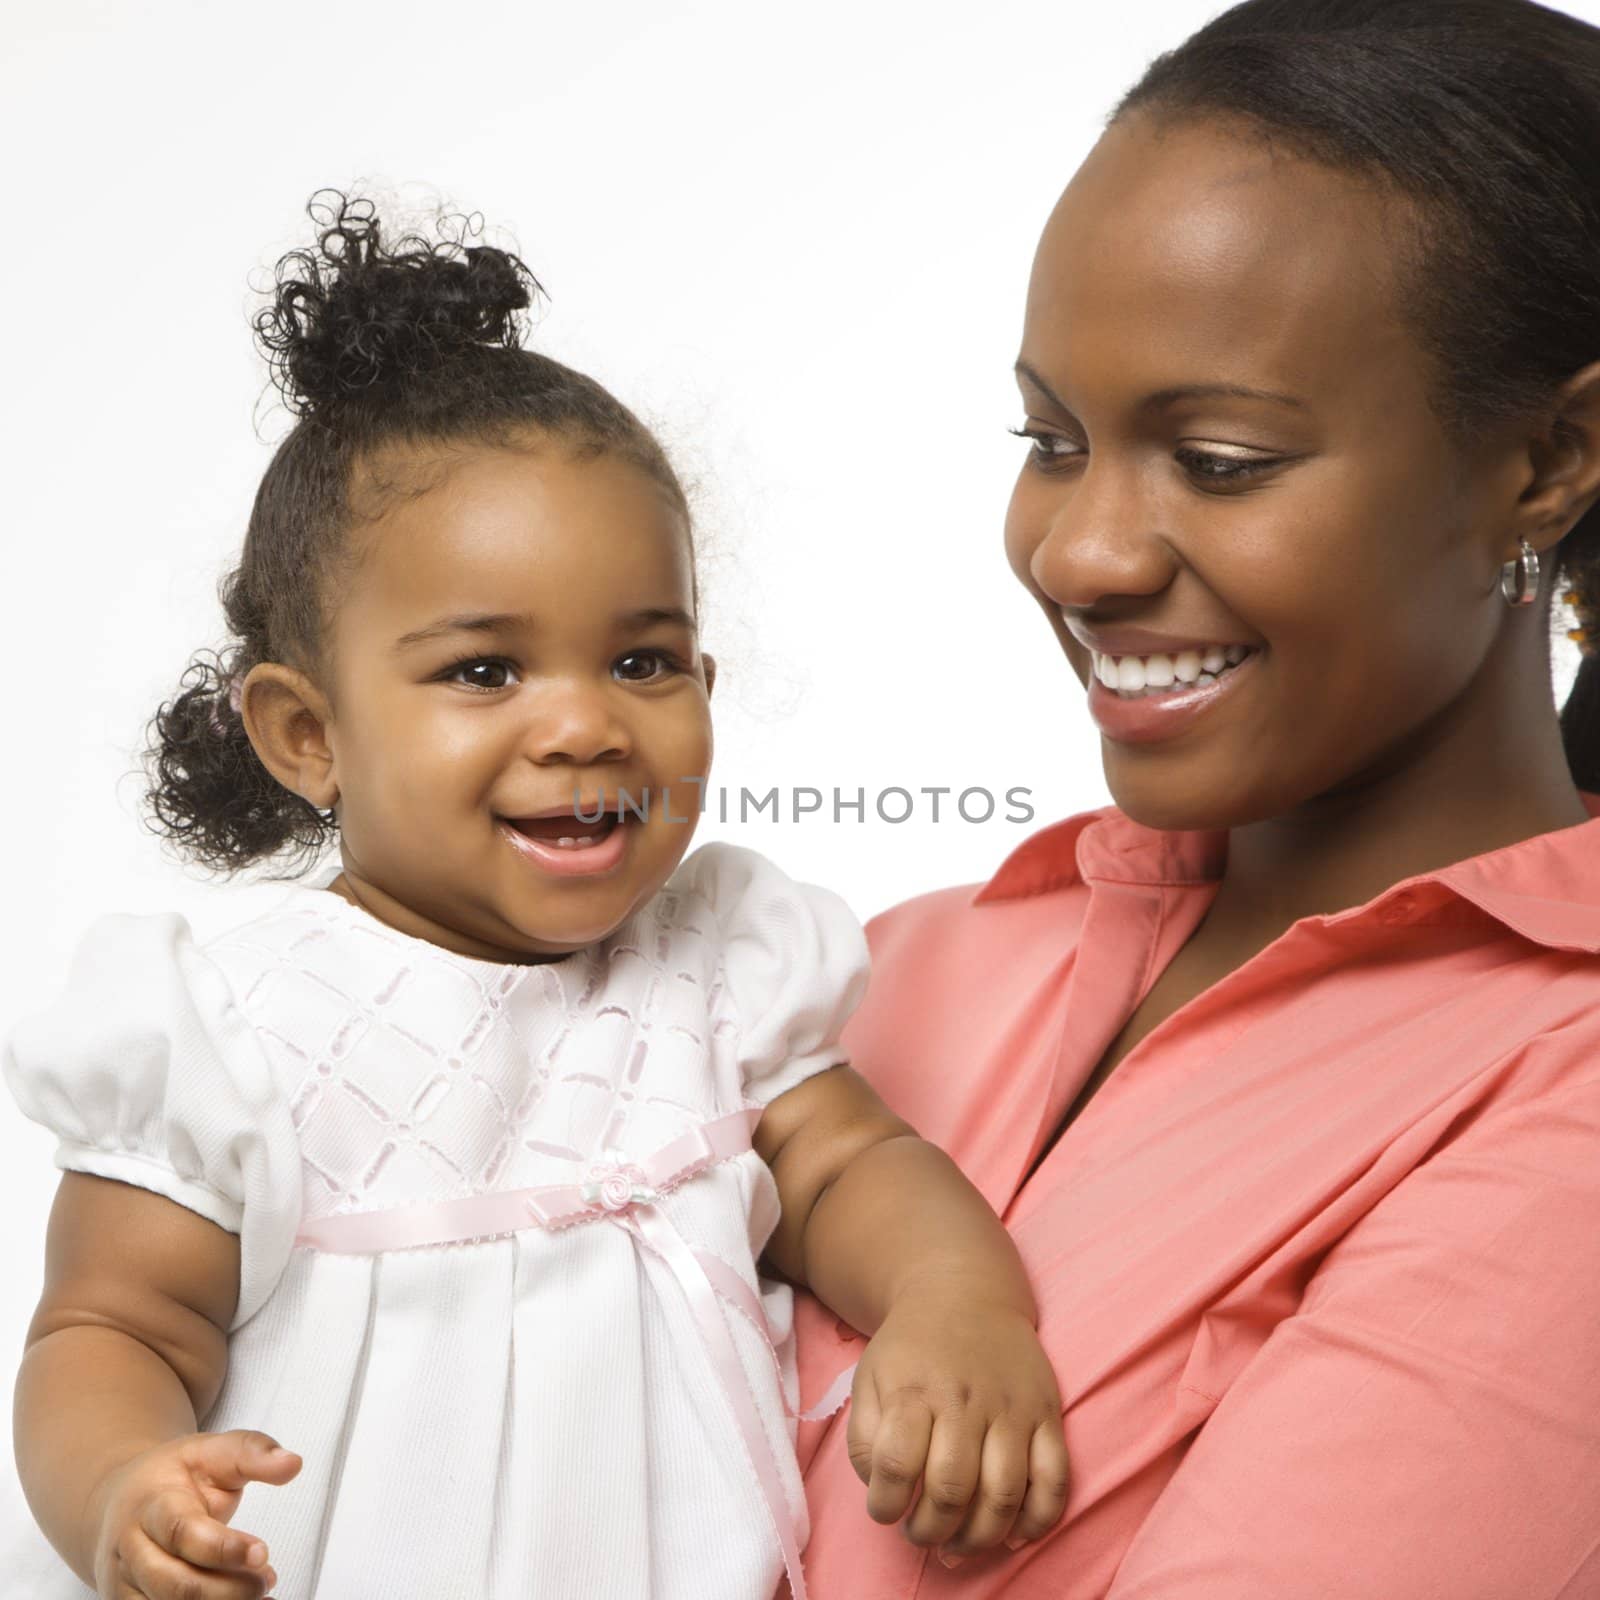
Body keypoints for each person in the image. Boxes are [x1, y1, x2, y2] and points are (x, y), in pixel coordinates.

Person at [2, 194, 1069, 1600]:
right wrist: (120, 1489)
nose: (586, 727)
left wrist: (954, 1303)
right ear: (306, 736)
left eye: (643, 662)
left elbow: (847, 1170)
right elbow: (110, 1329)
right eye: (485, 673)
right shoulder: (235, 1030)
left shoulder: (715, 965)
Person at [792, 1, 1600, 1594]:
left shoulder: (1562, 1089)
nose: (1081, 555)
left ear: (1547, 460)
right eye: (1053, 439)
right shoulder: (877, 966)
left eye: (1219, 459)